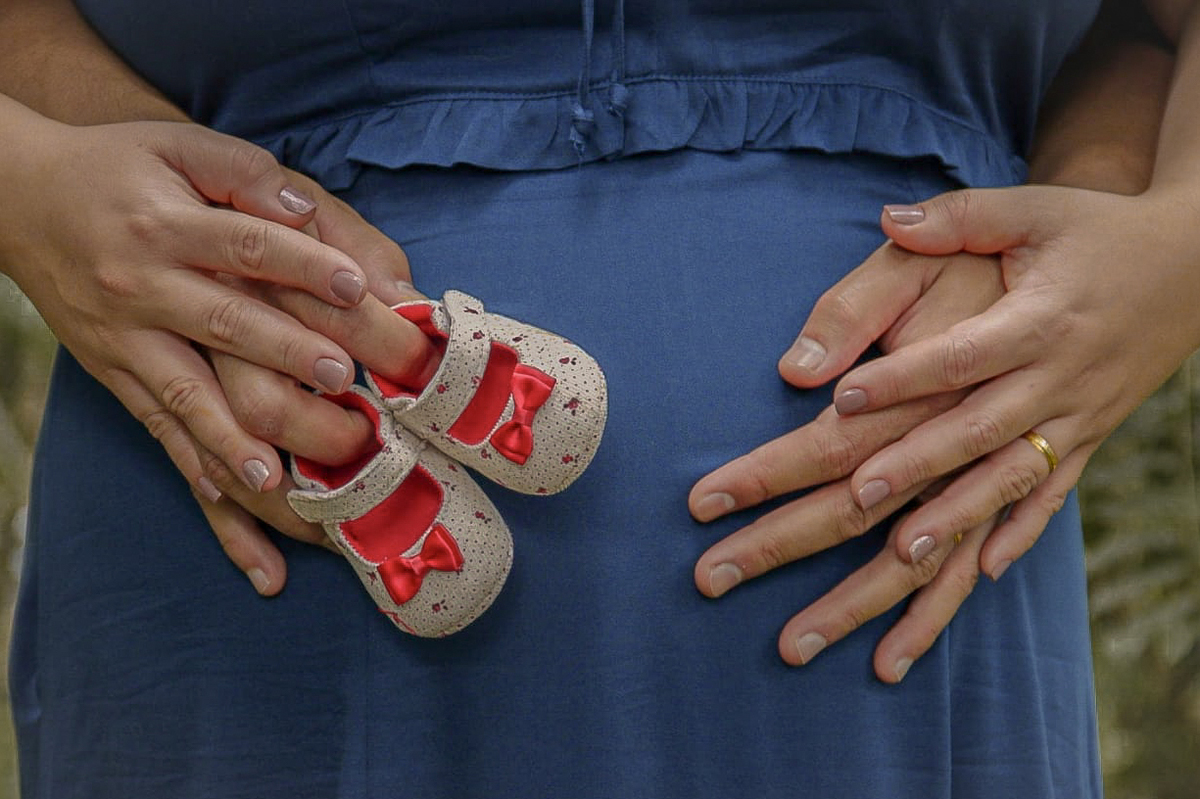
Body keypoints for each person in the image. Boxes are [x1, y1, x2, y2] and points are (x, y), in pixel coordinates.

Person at [0, 0, 1194, 796]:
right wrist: (33, 184)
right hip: (257, 564)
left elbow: (1148, 24)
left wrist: (1159, 247)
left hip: (911, 578)